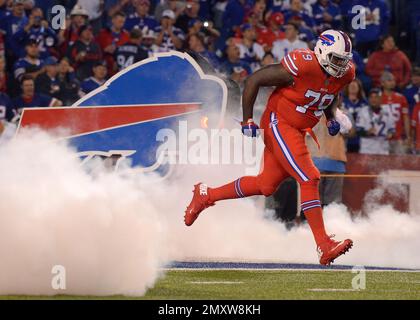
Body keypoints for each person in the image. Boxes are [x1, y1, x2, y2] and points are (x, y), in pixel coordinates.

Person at [185, 29, 355, 265]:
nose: (341, 66)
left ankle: (206, 194)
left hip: (297, 129)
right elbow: (254, 80)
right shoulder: (303, 64)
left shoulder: (345, 74)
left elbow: (329, 92)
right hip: (280, 122)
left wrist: (330, 117)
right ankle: (324, 245)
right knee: (310, 177)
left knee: (266, 185)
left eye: (344, 61)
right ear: (322, 52)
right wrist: (247, 119)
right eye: (337, 60)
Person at [356, 88, 395, 155]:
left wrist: (390, 134)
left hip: (383, 149)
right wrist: (367, 132)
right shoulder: (363, 111)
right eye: (371, 97)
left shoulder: (388, 112)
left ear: (381, 99)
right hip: (367, 149)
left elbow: (392, 129)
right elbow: (358, 131)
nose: (373, 99)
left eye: (376, 97)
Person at [379, 71, 411, 154]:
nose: (392, 82)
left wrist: (408, 136)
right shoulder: (377, 98)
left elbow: (406, 118)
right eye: (389, 80)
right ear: (382, 83)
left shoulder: (401, 98)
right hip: (382, 138)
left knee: (400, 163)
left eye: (393, 80)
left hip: (398, 137)